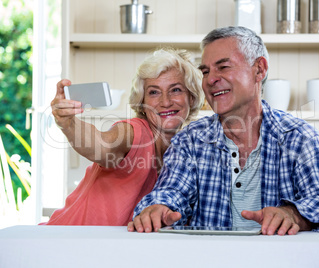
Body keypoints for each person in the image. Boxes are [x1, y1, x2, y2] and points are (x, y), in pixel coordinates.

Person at [129, 26, 319, 235]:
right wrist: (158, 209)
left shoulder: (300, 138)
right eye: (205, 71)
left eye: (223, 67)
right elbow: (171, 192)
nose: (211, 79)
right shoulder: (189, 141)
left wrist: (293, 215)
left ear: (259, 69)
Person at [41, 48, 204, 226]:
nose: (165, 101)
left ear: (192, 98)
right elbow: (103, 145)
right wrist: (68, 123)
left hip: (105, 248)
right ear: (142, 103)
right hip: (64, 240)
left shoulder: (184, 150)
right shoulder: (134, 132)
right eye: (154, 92)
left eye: (176, 90)